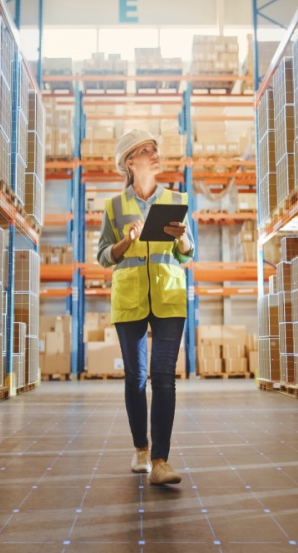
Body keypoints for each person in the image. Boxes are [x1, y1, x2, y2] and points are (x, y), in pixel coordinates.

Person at [96, 128, 195, 486]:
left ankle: (161, 461)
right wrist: (126, 241)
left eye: (155, 148)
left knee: (164, 377)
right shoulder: (114, 207)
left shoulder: (175, 198)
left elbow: (188, 251)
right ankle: (141, 449)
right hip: (130, 298)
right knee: (137, 378)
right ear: (129, 162)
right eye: (145, 150)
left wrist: (182, 237)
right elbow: (104, 256)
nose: (154, 154)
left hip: (169, 297)